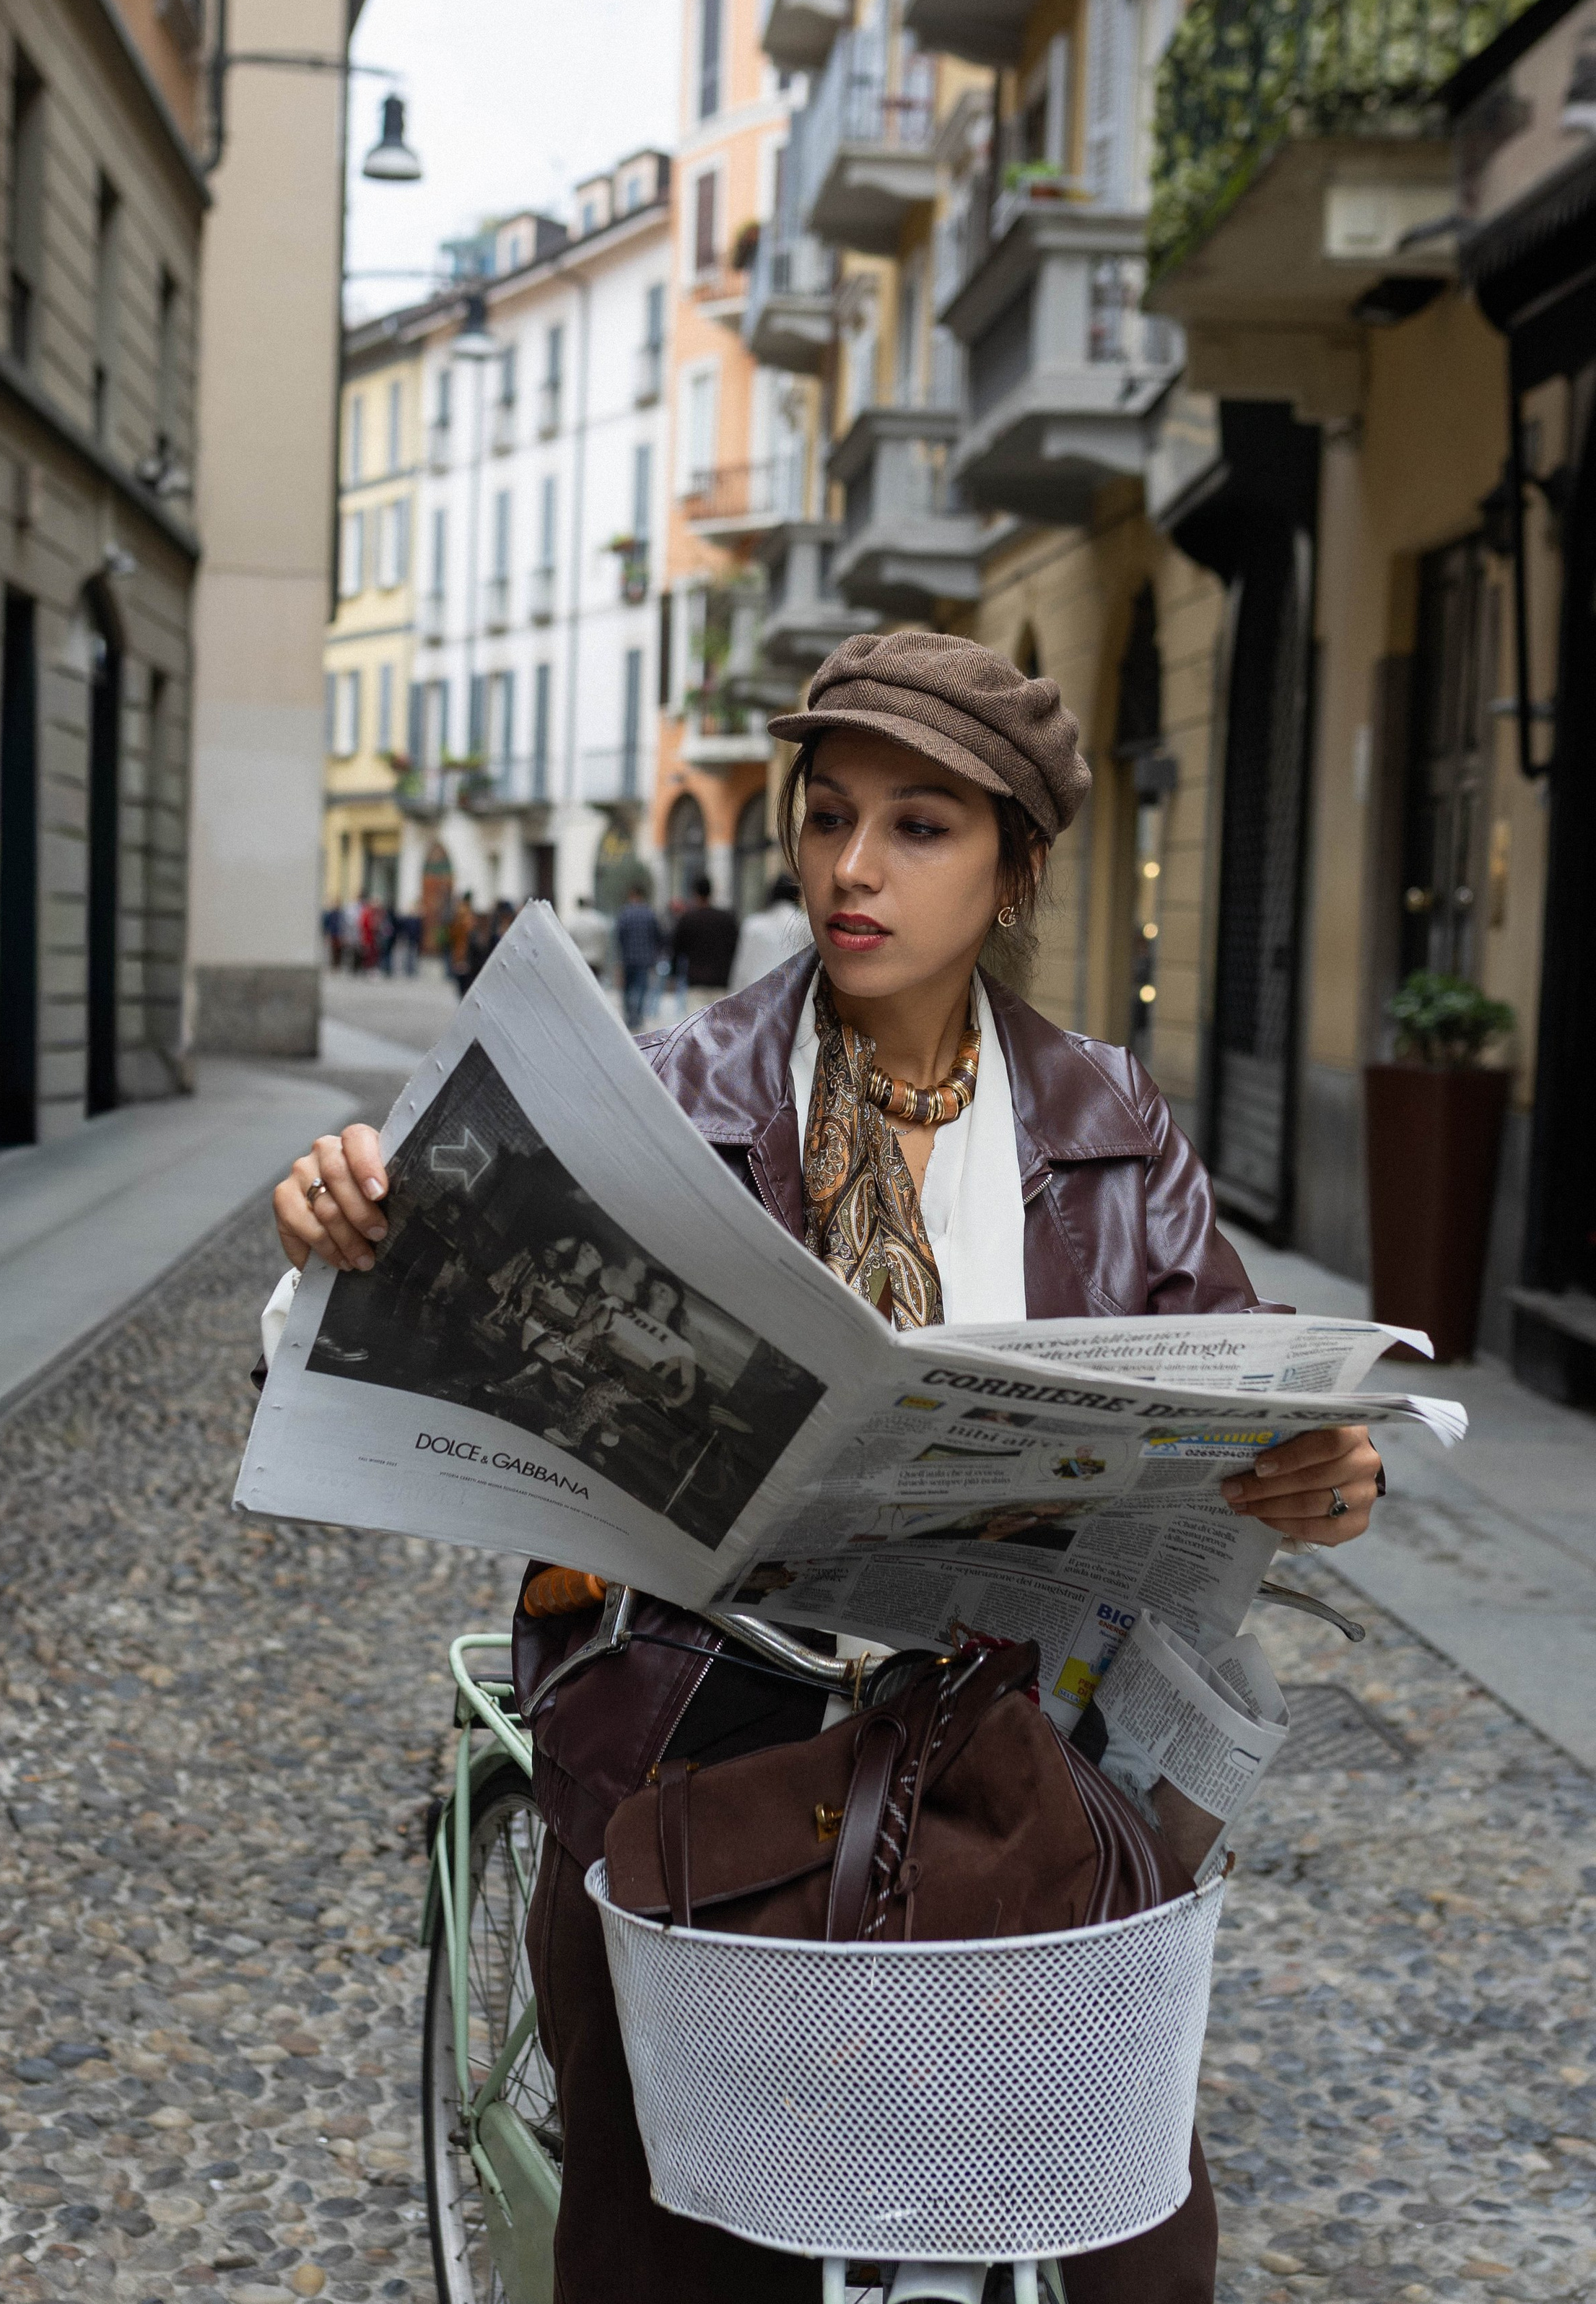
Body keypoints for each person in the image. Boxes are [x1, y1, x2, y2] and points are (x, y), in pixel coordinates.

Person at [269, 629, 1387, 2304]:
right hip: (696, 1721)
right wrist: (340, 1233)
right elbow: (424, 1290)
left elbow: (1230, 1402)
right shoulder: (673, 1090)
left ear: (1013, 867)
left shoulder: (1108, 1122)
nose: (850, 866)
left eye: (918, 824)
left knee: (1127, 2243)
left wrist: (1317, 1474)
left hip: (1006, 1739)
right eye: (827, 813)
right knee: (671, 2236)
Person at [728, 869, 813, 992]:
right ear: (796, 896)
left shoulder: (753, 925)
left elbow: (741, 971)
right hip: (795, 997)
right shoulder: (806, 925)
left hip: (755, 997)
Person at [669, 872, 738, 1012]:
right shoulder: (726, 919)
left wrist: (674, 974)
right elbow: (735, 949)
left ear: (695, 893)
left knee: (698, 1029)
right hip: (721, 982)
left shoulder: (687, 920)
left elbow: (677, 950)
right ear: (711, 892)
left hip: (696, 982)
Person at [611, 882, 663, 1030]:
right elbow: (657, 935)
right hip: (645, 959)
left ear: (631, 895)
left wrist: (619, 957)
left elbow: (619, 936)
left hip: (628, 958)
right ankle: (638, 1019)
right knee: (641, 989)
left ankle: (629, 1018)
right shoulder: (650, 913)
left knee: (627, 990)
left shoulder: (625, 913)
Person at [565, 896, 613, 980]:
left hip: (579, 959)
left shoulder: (573, 922)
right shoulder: (599, 920)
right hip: (595, 960)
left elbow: (568, 940)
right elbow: (604, 941)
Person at [446, 892, 476, 1000]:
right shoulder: (465, 912)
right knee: (463, 975)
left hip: (461, 949)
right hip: (463, 949)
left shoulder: (461, 911)